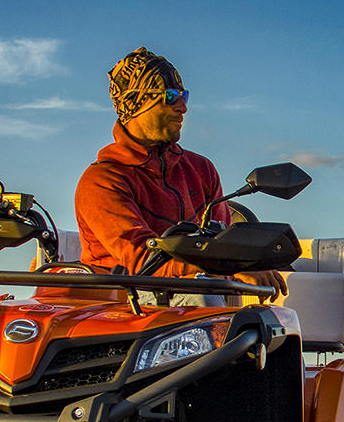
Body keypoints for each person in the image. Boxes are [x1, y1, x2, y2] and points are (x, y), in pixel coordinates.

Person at [73, 47, 233, 278]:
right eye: (170, 97)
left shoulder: (201, 169)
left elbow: (225, 241)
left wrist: (247, 261)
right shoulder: (102, 181)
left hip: (199, 300)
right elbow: (144, 260)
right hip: (123, 305)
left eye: (184, 96)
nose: (183, 107)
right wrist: (229, 267)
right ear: (136, 103)